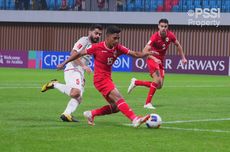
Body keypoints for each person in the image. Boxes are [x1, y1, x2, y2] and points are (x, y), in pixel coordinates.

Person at [56, 25, 158, 128]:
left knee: (116, 107)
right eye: (115, 38)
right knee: (118, 97)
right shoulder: (97, 47)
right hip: (100, 79)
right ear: (108, 37)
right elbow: (78, 54)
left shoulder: (118, 48)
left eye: (118, 38)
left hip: (107, 79)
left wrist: (146, 54)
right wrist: (64, 63)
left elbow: (135, 54)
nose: (117, 41)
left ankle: (91, 114)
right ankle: (134, 119)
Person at [41, 24, 103, 122]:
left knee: (79, 97)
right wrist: (83, 66)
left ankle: (66, 114)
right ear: (90, 32)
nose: (98, 36)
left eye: (99, 34)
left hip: (80, 71)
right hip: (73, 68)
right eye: (96, 33)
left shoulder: (95, 45)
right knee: (76, 93)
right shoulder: (84, 40)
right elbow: (73, 53)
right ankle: (54, 84)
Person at [127, 18, 187, 109]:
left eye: (165, 26)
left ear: (168, 27)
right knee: (156, 79)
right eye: (162, 26)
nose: (163, 28)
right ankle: (147, 103)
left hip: (160, 61)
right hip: (152, 59)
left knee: (159, 86)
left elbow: (178, 45)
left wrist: (183, 58)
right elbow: (144, 51)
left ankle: (136, 82)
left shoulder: (170, 35)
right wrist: (154, 58)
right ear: (158, 26)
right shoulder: (154, 37)